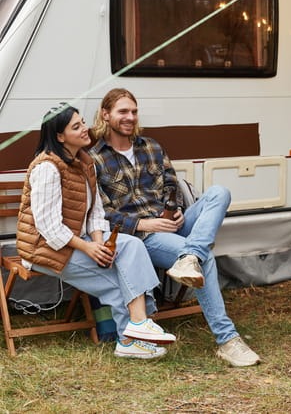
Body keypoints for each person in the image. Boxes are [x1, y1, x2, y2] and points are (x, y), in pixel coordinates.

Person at [89, 88, 260, 367]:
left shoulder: (152, 147)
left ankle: (190, 255)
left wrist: (177, 210)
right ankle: (227, 341)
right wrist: (144, 223)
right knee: (205, 260)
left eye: (133, 111)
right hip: (143, 237)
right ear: (106, 115)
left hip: (171, 223)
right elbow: (99, 214)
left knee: (219, 192)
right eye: (123, 111)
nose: (130, 117)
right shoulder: (94, 159)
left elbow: (171, 184)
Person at [16, 103, 176, 359]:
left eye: (82, 123)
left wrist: (100, 242)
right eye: (76, 126)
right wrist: (89, 248)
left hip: (79, 239)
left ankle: (138, 324)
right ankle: (129, 340)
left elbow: (96, 213)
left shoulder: (83, 161)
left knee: (132, 245)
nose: (84, 129)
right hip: (45, 248)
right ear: (60, 136)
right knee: (116, 283)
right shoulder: (47, 168)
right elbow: (48, 228)